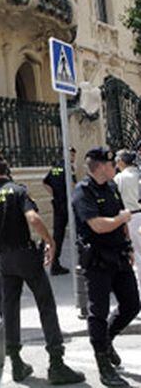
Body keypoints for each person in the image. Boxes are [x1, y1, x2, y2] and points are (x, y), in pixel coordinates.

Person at [0, 153, 85, 385]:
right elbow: (33, 218)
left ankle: (16, 363)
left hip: (4, 259)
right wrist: (50, 241)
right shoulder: (18, 191)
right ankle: (56, 363)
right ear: (6, 170)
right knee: (46, 304)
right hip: (26, 255)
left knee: (10, 308)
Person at [72, 147, 140, 387]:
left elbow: (120, 218)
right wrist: (121, 219)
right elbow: (97, 225)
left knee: (132, 304)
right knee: (97, 312)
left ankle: (107, 339)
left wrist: (129, 246)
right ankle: (103, 365)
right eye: (111, 164)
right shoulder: (83, 192)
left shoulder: (112, 187)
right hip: (98, 261)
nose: (115, 167)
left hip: (119, 256)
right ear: (100, 167)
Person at [43, 146, 77, 275]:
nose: (73, 158)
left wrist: (55, 194)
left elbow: (45, 182)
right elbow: (73, 186)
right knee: (78, 232)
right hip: (67, 204)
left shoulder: (56, 167)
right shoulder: (69, 168)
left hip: (58, 204)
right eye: (72, 155)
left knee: (58, 235)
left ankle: (54, 263)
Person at [114, 150, 141, 306]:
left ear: (122, 162)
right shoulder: (138, 174)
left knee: (136, 255)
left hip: (129, 218)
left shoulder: (120, 178)